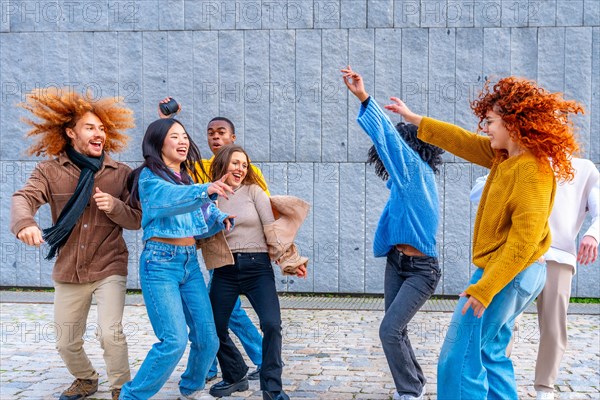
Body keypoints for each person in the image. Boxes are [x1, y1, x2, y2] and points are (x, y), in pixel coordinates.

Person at [385, 74, 583, 399]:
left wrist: (485, 288)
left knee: (457, 358)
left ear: (514, 123)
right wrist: (415, 119)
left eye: (490, 121)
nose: (485, 128)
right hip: (512, 272)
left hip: (508, 273)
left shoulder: (532, 170)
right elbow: (461, 140)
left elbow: (523, 242)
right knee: (490, 354)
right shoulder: (505, 157)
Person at [10, 88, 141, 400]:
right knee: (66, 341)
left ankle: (121, 387)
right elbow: (23, 198)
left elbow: (136, 219)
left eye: (102, 128)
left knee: (111, 333)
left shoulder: (120, 173)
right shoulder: (49, 170)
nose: (99, 134)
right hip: (68, 268)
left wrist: (115, 207)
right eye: (90, 127)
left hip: (109, 263)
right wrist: (25, 223)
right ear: (70, 133)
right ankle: (85, 378)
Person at [341, 67, 444, 400]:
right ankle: (415, 380)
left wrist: (363, 97)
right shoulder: (402, 185)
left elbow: (388, 142)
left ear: (411, 149)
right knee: (396, 329)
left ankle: (409, 391)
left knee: (389, 329)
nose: (389, 157)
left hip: (421, 269)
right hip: (397, 263)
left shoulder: (415, 173)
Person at [120, 118, 235, 400]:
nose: (183, 141)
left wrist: (221, 219)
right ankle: (132, 396)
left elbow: (202, 216)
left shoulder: (187, 180)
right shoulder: (149, 178)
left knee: (208, 339)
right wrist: (204, 190)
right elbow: (170, 200)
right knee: (173, 341)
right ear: (158, 142)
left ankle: (190, 389)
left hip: (189, 263)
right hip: (159, 264)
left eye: (185, 136)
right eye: (175, 136)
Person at [471, 157, 599, 400]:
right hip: (519, 253)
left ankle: (544, 390)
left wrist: (593, 234)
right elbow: (478, 191)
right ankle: (494, 381)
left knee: (553, 326)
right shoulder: (521, 159)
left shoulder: (584, 168)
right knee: (502, 320)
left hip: (558, 256)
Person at [158, 98, 265, 381]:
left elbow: (264, 205)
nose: (215, 137)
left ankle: (232, 361)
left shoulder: (246, 168)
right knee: (218, 309)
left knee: (223, 309)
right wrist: (169, 119)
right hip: (209, 247)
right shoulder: (200, 167)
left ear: (233, 137)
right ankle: (227, 360)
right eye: (211, 132)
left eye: (221, 132)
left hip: (240, 250)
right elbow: (176, 150)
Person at [203, 144, 308, 400]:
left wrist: (290, 260)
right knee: (212, 328)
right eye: (235, 163)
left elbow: (272, 230)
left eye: (244, 164)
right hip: (224, 270)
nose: (240, 168)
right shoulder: (209, 194)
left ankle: (272, 388)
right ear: (223, 163)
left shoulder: (253, 191)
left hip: (257, 268)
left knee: (272, 325)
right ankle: (235, 373)